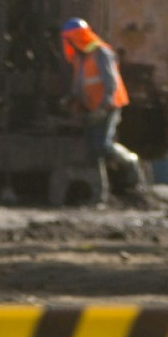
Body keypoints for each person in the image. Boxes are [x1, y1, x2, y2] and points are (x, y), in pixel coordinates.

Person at [59, 17, 131, 201]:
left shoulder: (101, 53)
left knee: (103, 145)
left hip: (108, 107)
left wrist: (103, 108)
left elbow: (111, 84)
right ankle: (100, 194)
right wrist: (71, 99)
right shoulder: (80, 58)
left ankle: (131, 163)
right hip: (92, 109)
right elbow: (80, 84)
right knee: (93, 149)